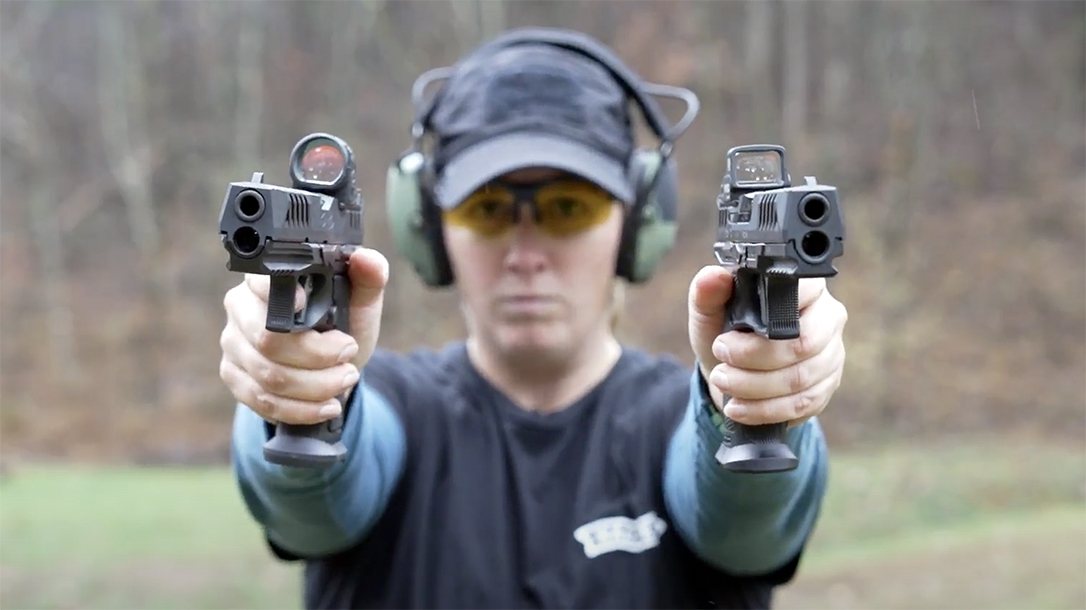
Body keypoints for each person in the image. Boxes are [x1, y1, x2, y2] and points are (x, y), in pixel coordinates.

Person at [219, 27, 847, 610]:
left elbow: (747, 523)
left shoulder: (678, 419)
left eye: (568, 207)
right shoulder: (389, 405)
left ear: (634, 224)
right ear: (431, 229)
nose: (525, 254)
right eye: (487, 209)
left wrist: (755, 406)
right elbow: (310, 504)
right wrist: (297, 396)